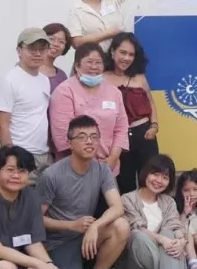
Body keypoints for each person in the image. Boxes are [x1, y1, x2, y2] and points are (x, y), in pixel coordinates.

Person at [39, 116, 130, 269]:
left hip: (86, 236)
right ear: (69, 143)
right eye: (82, 136)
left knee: (121, 225)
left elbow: (117, 207)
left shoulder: (102, 170)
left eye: (94, 137)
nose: (89, 141)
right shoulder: (51, 175)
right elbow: (35, 220)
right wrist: (71, 225)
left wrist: (95, 226)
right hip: (58, 243)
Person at [120, 155, 197, 269]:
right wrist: (161, 239)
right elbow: (136, 226)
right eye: (155, 174)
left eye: (165, 177)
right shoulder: (128, 199)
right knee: (138, 235)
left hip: (162, 265)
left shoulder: (168, 202)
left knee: (170, 232)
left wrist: (181, 242)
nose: (159, 180)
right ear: (146, 173)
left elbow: (175, 226)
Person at [49, 43, 128, 178]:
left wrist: (113, 158)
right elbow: (62, 135)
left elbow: (121, 128)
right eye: (89, 62)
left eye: (98, 62)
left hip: (109, 168)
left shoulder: (114, 92)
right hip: (74, 169)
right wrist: (91, 163)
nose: (94, 66)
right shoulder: (64, 91)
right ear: (77, 65)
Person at [104, 33, 160, 194]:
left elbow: (151, 103)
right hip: (118, 138)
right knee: (124, 182)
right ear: (113, 52)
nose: (126, 58)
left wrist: (154, 126)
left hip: (144, 134)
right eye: (123, 52)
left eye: (131, 54)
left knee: (150, 179)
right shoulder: (101, 78)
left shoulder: (140, 77)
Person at [0, 28, 53, 180]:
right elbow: (1, 126)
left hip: (44, 154)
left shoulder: (44, 80)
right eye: (32, 49)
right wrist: (12, 159)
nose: (38, 53)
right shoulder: (9, 80)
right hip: (21, 154)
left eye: (42, 49)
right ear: (19, 50)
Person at [42, 23, 73, 93]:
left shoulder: (62, 76)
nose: (56, 44)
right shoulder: (29, 69)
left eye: (61, 42)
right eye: (51, 39)